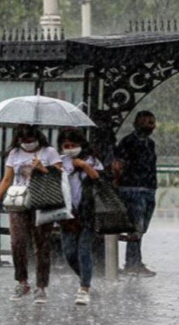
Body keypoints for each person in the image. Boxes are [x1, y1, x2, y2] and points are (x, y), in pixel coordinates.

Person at [0, 124, 62, 304]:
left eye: (30, 140)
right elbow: (7, 179)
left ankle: (41, 286)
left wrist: (42, 169)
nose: (27, 144)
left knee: (41, 244)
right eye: (23, 141)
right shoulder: (14, 154)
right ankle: (22, 281)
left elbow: (61, 176)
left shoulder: (49, 152)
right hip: (19, 201)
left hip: (42, 202)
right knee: (17, 242)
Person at [57, 128, 103, 306]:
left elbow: (99, 179)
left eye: (73, 145)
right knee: (69, 252)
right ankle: (86, 277)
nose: (70, 148)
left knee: (84, 250)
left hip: (88, 212)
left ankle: (84, 288)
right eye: (66, 146)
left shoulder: (92, 160)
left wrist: (83, 165)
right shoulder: (60, 162)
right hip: (67, 214)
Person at [112, 111, 157, 277]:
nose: (149, 125)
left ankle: (134, 260)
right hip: (132, 188)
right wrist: (118, 183)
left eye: (151, 122)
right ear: (136, 124)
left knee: (142, 227)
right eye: (145, 122)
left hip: (148, 188)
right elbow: (118, 165)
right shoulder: (128, 142)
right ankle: (132, 262)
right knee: (136, 227)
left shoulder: (150, 144)